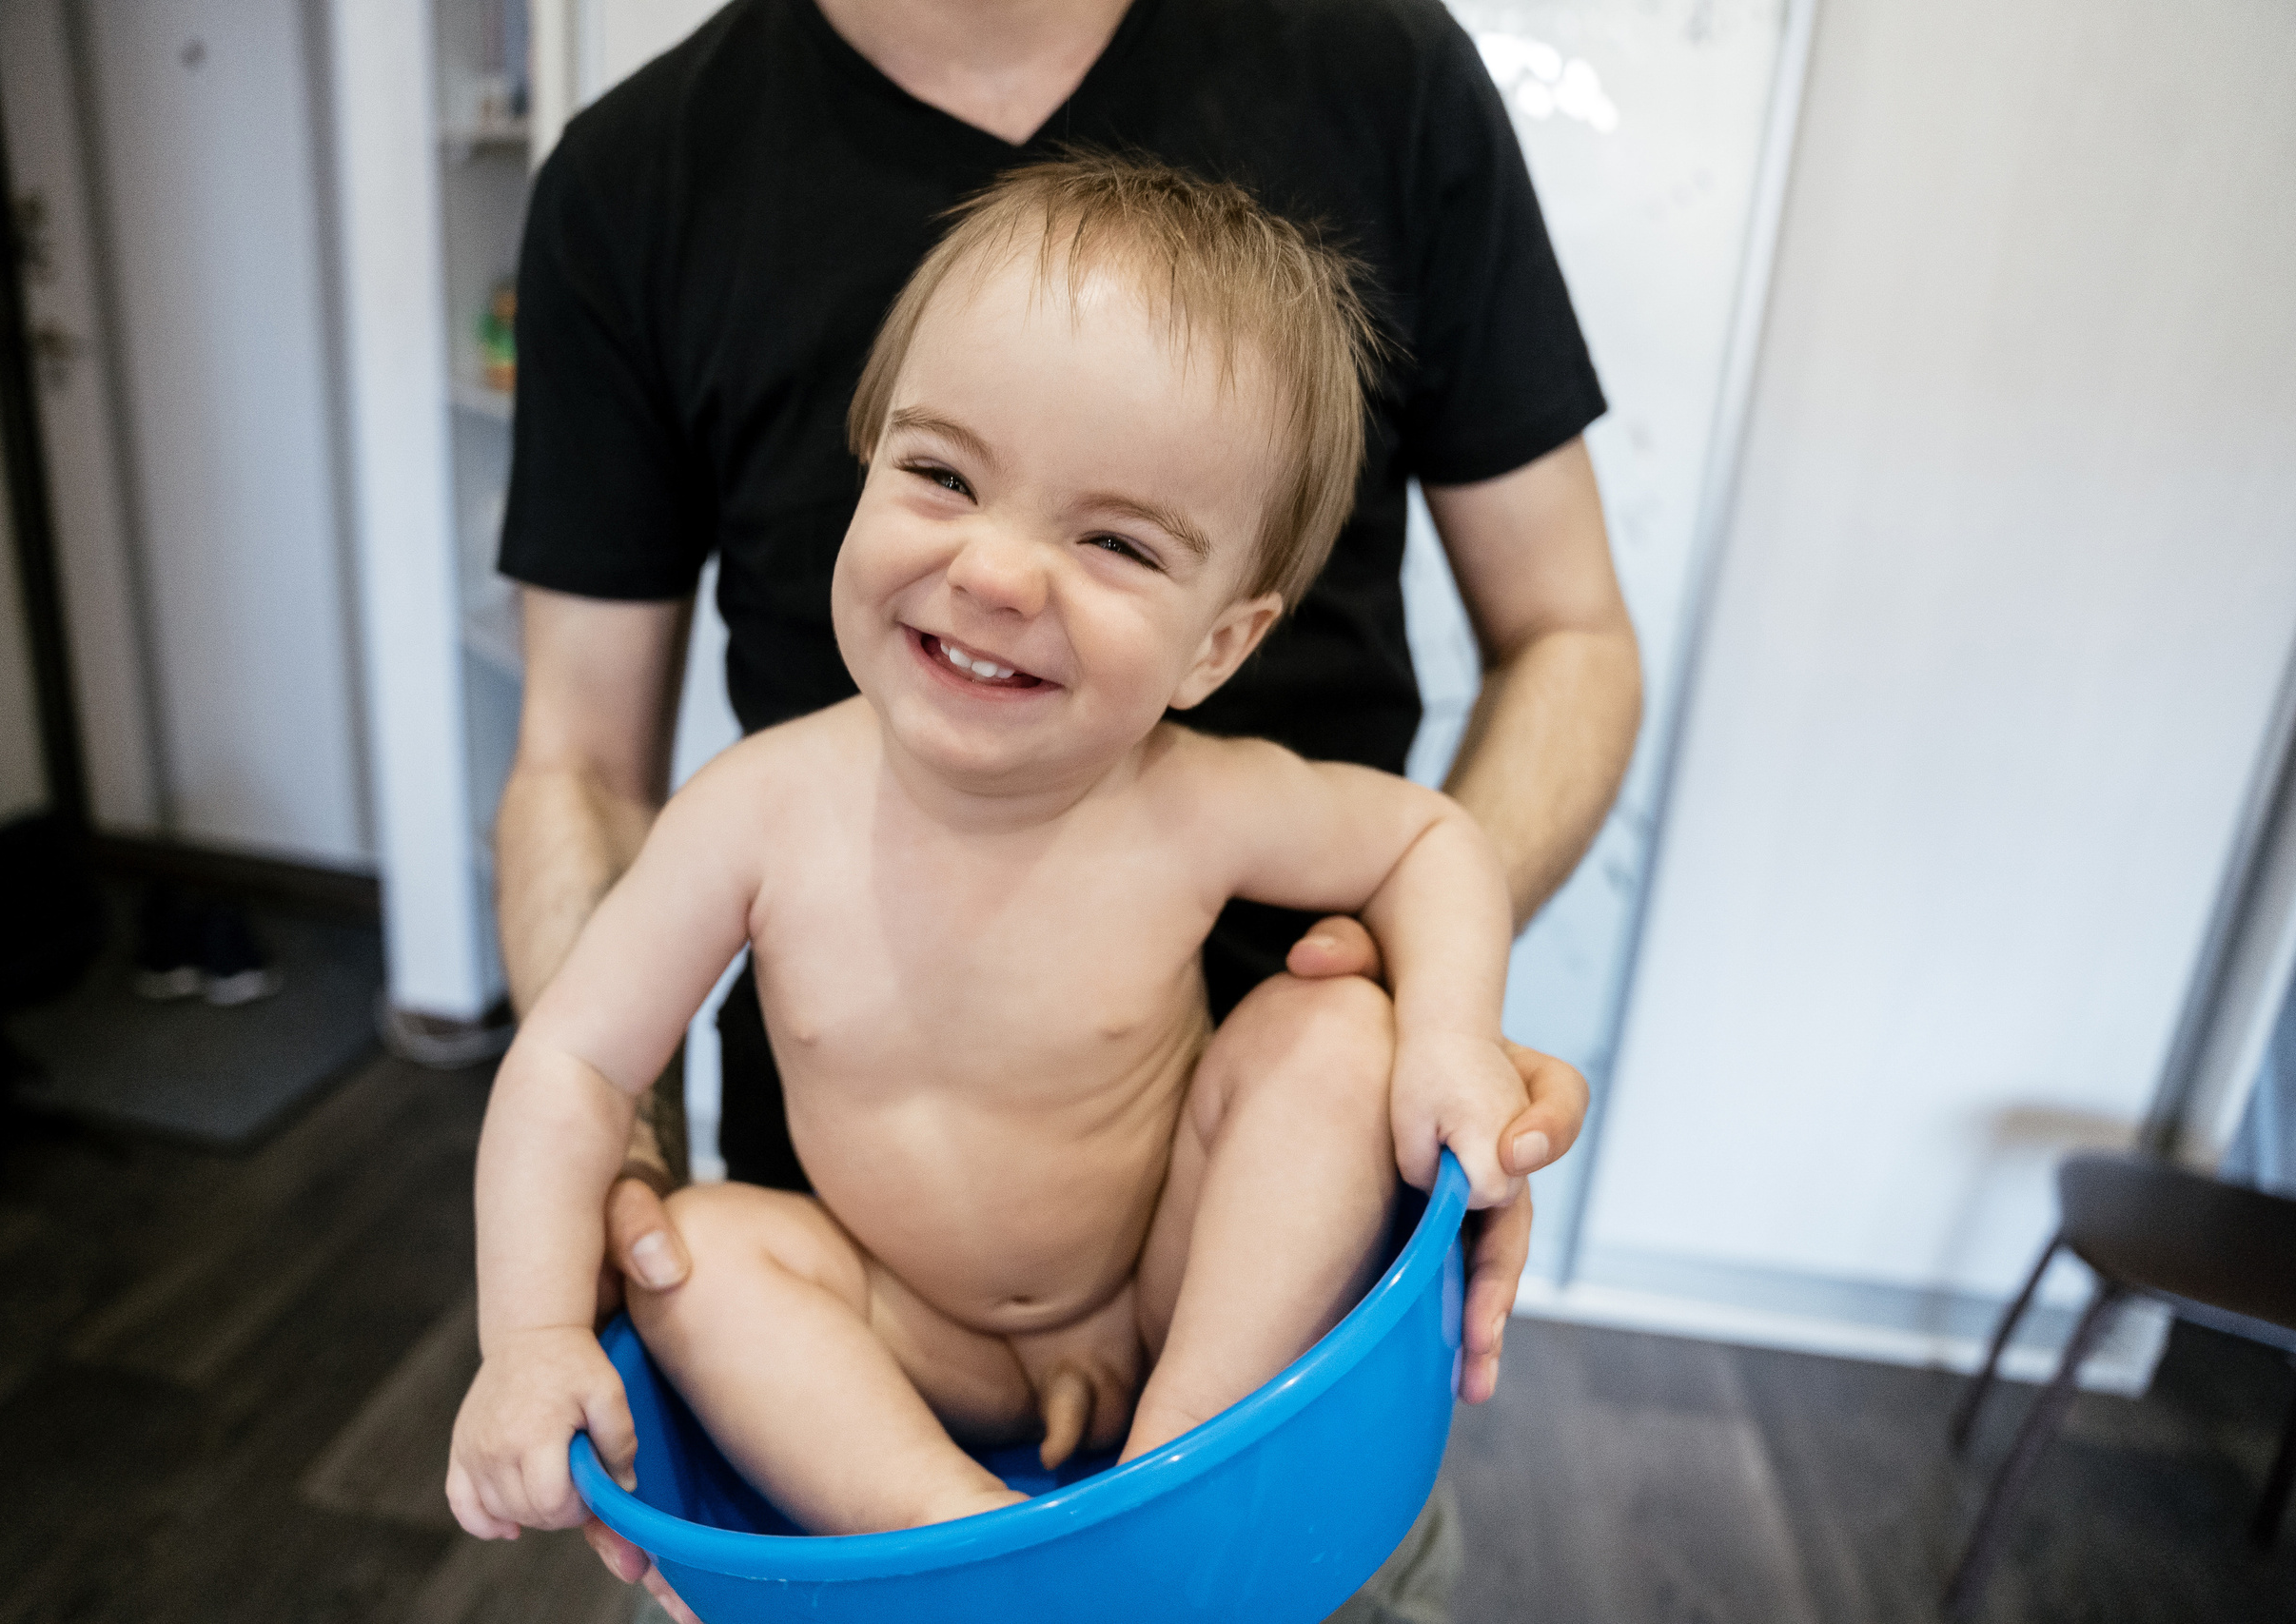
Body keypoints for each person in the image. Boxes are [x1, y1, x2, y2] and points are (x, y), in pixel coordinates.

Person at [492, 0, 1640, 1614]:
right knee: (706, 1259)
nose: (997, 572)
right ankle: (960, 1539)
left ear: (1222, 647)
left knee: (1334, 1040)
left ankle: (1179, 1480)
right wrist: (537, 1330)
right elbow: (571, 1047)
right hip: (897, 1329)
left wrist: (1442, 1044)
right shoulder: (753, 814)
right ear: (866, 461)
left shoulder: (1195, 803)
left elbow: (1434, 830)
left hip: (1192, 1294)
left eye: (1114, 543)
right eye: (940, 477)